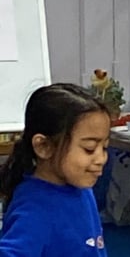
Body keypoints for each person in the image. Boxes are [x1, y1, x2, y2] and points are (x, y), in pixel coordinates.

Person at [0, 84, 111, 256]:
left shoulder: (81, 189)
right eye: (89, 149)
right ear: (43, 146)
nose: (101, 159)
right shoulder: (34, 212)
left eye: (104, 148)